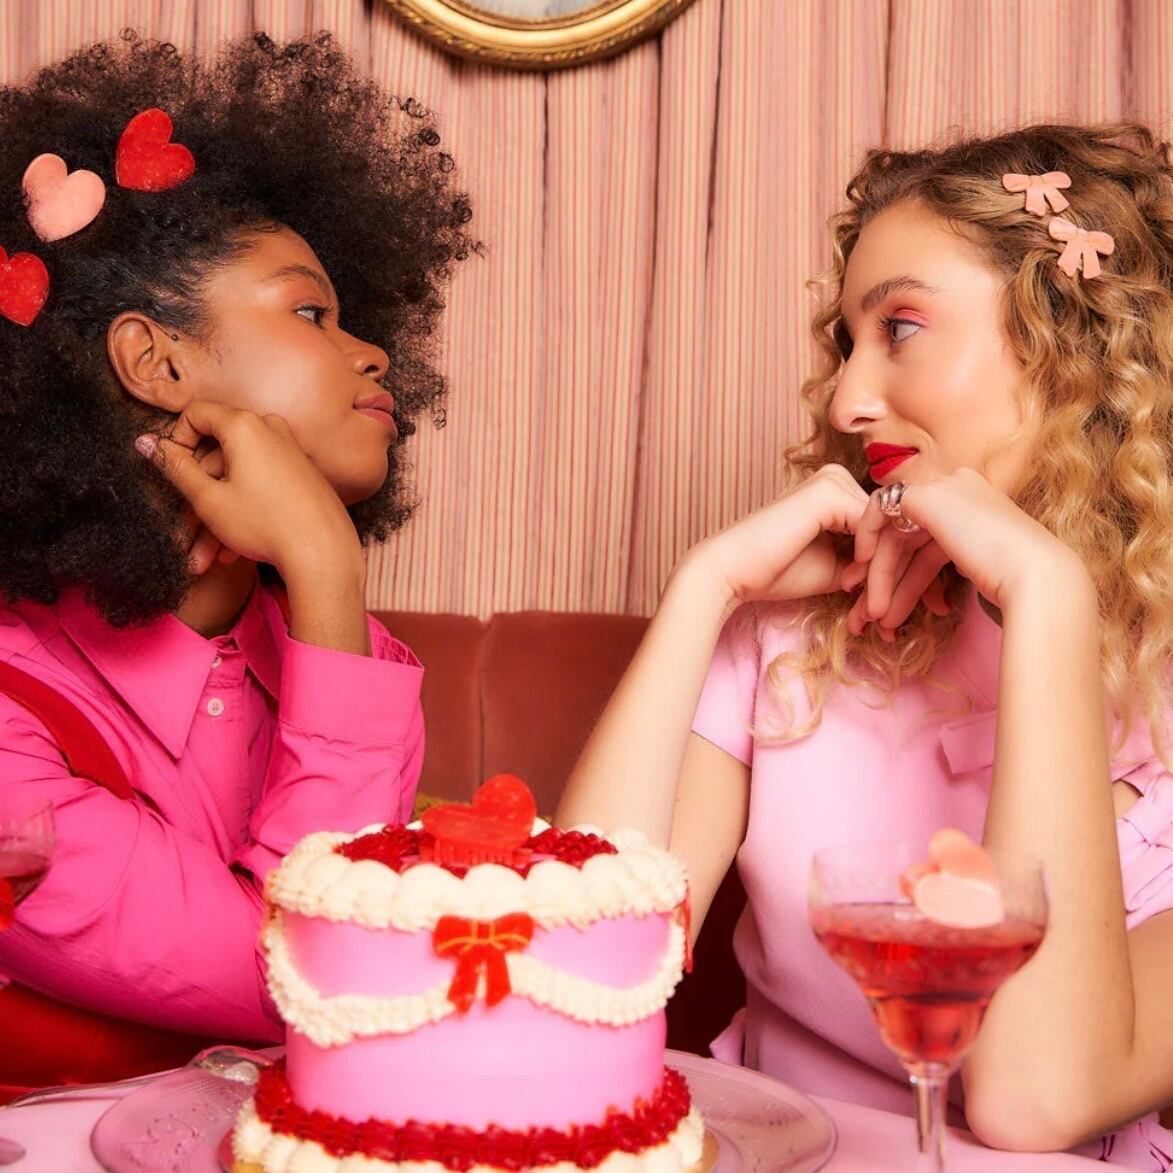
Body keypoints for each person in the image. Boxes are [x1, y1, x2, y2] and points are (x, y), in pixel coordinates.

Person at [558, 123, 1173, 1166]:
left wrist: (1047, 600)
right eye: (848, 342)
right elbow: (568, 985)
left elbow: (1034, 1101)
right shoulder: (789, 640)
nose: (848, 399)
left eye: (902, 326)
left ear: (1071, 343)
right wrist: (704, 589)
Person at [0, 30, 473, 1085]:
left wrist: (323, 582)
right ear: (154, 361)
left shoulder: (341, 656)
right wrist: (325, 566)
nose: (373, 352)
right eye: (310, 312)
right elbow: (305, 977)